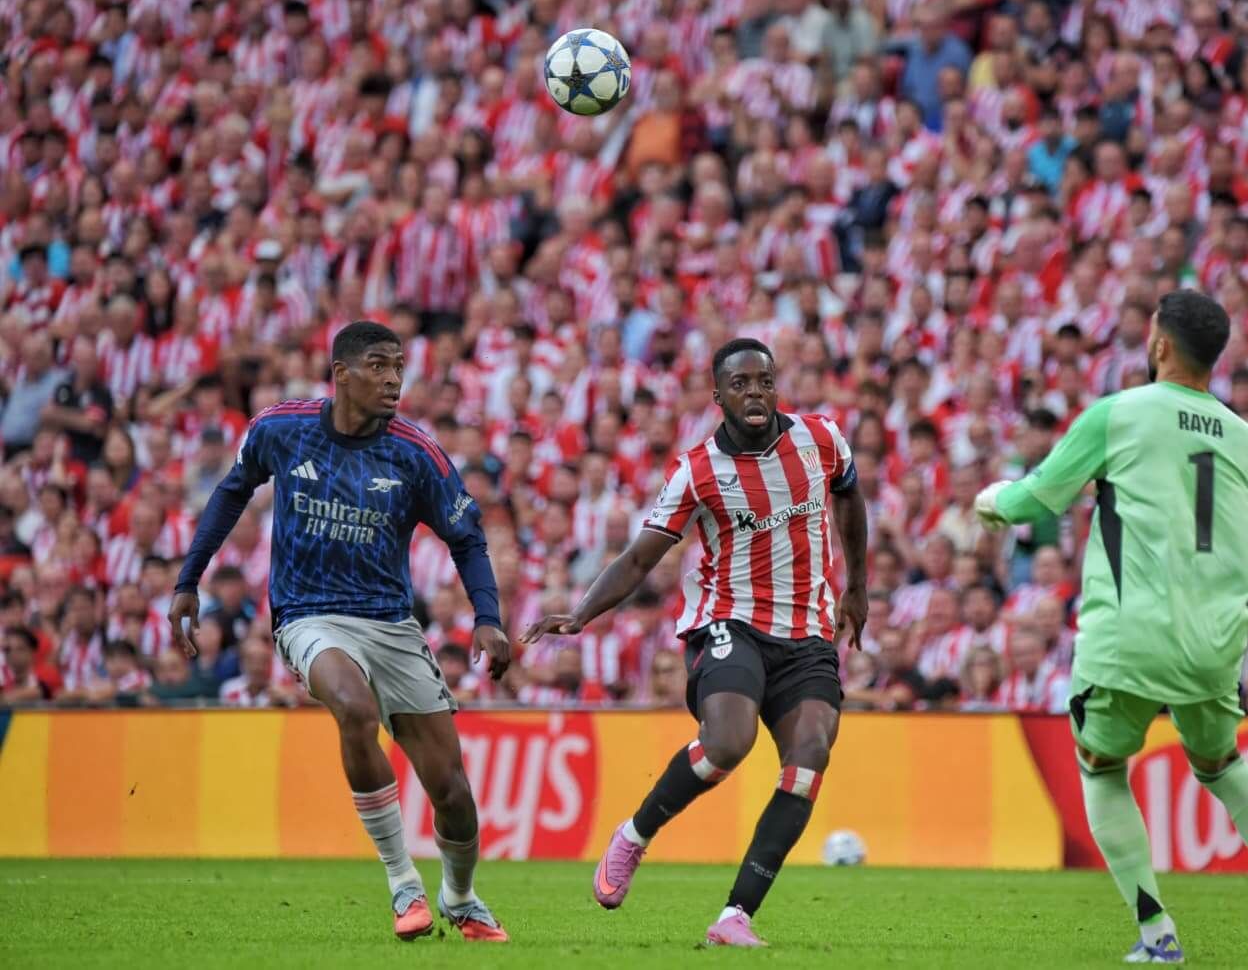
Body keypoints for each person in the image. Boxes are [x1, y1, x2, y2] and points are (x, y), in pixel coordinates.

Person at [975, 291, 1248, 965]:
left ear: (1159, 346)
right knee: (1222, 763)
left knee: (1099, 765)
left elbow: (1037, 498)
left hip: (1130, 633)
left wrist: (990, 503)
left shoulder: (1120, 413)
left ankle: (1157, 934)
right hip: (1215, 641)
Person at [168, 322, 512, 943]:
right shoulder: (281, 428)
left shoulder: (415, 451)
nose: (394, 379)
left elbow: (467, 538)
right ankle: (403, 882)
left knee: (453, 793)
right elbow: (230, 492)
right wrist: (188, 578)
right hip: (309, 615)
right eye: (379, 365)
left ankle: (460, 898)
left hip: (391, 623)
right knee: (353, 709)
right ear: (341, 373)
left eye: (400, 366)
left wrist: (487, 618)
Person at [523, 338, 868, 948]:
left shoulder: (822, 439)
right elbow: (637, 560)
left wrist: (858, 588)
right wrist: (580, 615)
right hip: (729, 623)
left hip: (808, 633)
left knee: (810, 758)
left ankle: (736, 916)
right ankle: (634, 834)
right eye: (740, 384)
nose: (754, 392)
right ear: (719, 396)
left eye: (764, 380)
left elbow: (851, 498)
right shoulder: (697, 470)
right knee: (727, 743)